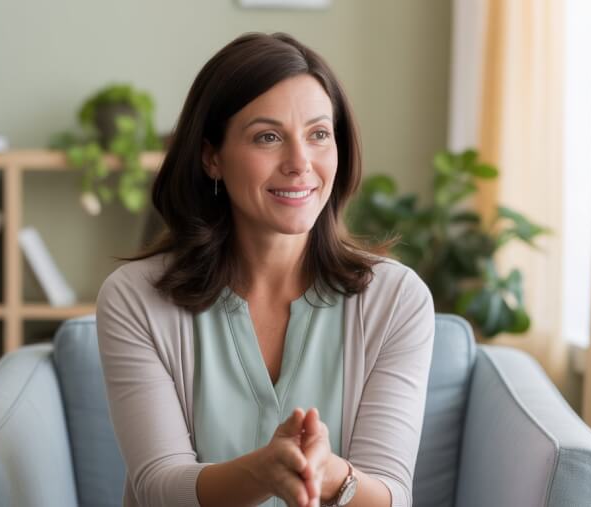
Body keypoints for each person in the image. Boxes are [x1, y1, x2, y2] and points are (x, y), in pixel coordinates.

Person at [96, 32, 435, 507]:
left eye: (319, 134)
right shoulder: (134, 297)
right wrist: (262, 472)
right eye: (268, 137)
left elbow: (393, 497)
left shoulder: (397, 299)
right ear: (212, 157)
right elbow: (157, 487)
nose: (300, 163)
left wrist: (330, 474)